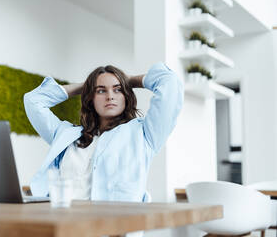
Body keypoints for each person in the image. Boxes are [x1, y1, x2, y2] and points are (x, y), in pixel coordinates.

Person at [23, 62, 183, 203]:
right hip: (65, 226)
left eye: (118, 89)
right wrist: (85, 86)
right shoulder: (66, 135)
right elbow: (33, 101)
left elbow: (170, 83)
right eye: (101, 91)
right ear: (90, 98)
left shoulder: (144, 134)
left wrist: (131, 80)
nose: (110, 96)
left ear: (126, 96)